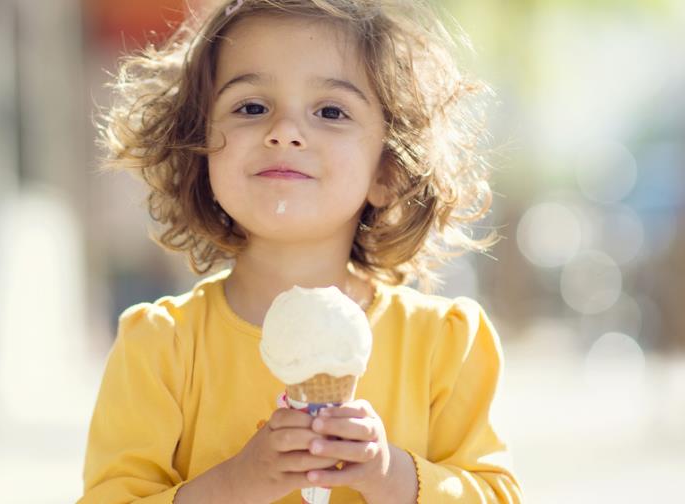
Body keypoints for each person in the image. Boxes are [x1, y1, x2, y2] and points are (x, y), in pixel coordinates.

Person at [79, 0, 523, 502]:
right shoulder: (162, 347)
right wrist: (233, 485)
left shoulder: (444, 346)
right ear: (198, 153)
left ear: (387, 171)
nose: (285, 130)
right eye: (251, 107)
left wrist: (391, 474)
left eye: (331, 111)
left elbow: (496, 493)